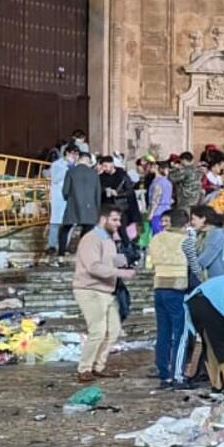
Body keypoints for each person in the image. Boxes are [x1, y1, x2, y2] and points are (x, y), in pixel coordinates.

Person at [72, 201, 133, 382]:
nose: (118, 224)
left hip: (107, 290)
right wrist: (121, 272)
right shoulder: (91, 239)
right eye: (114, 220)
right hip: (90, 289)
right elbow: (93, 266)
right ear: (103, 219)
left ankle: (98, 366)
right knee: (97, 331)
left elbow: (111, 260)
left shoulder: (108, 239)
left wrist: (126, 261)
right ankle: (84, 368)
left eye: (119, 220)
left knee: (113, 330)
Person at [146, 210, 190, 387]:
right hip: (178, 288)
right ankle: (177, 375)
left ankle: (163, 373)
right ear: (184, 225)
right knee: (181, 333)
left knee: (163, 332)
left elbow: (150, 263)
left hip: (159, 287)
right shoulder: (185, 241)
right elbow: (194, 265)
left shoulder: (155, 239)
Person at [59, 147, 102, 254]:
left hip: (73, 204)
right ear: (88, 161)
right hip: (90, 207)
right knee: (87, 229)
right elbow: (98, 193)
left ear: (79, 159)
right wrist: (97, 208)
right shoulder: (94, 174)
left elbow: (65, 191)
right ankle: (82, 250)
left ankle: (61, 252)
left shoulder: (71, 172)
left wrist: (68, 199)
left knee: (65, 229)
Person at [183, 204, 224, 285]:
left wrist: (189, 264)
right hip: (207, 281)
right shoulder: (201, 235)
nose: (191, 222)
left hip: (218, 281)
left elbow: (205, 259)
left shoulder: (217, 234)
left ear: (203, 219)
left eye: (193, 219)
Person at [45, 147, 68, 256]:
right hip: (58, 197)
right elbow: (55, 178)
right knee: (55, 223)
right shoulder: (57, 165)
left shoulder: (76, 165)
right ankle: (52, 245)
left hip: (69, 197)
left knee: (69, 224)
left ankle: (64, 245)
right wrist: (66, 170)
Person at [145, 158, 172, 236]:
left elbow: (156, 199)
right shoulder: (167, 182)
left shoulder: (157, 182)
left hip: (157, 212)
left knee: (157, 235)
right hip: (167, 210)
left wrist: (151, 213)